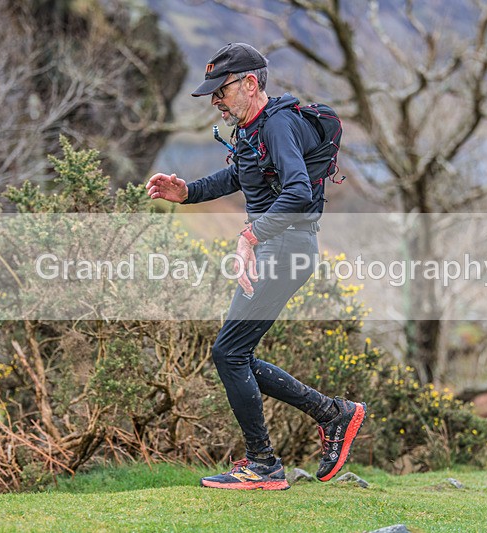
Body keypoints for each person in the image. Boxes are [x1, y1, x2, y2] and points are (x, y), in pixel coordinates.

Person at [146, 43, 366, 491]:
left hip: (285, 249)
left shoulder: (280, 123)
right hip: (280, 248)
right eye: (213, 93)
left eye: (222, 90)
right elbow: (238, 177)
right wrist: (186, 191)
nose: (216, 100)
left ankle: (265, 464)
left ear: (250, 83)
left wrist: (251, 236)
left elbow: (300, 191)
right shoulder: (253, 130)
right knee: (233, 353)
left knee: (229, 353)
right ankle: (332, 413)